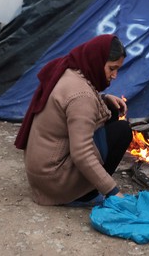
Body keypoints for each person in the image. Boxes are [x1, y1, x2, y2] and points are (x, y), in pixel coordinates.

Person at [15, 34, 131, 206]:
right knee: (122, 131)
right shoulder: (81, 96)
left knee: (112, 111)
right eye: (112, 68)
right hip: (54, 181)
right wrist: (113, 192)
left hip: (42, 173)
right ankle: (83, 195)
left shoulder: (69, 70)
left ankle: (86, 185)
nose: (114, 75)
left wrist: (104, 98)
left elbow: (73, 103)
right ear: (97, 62)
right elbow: (81, 154)